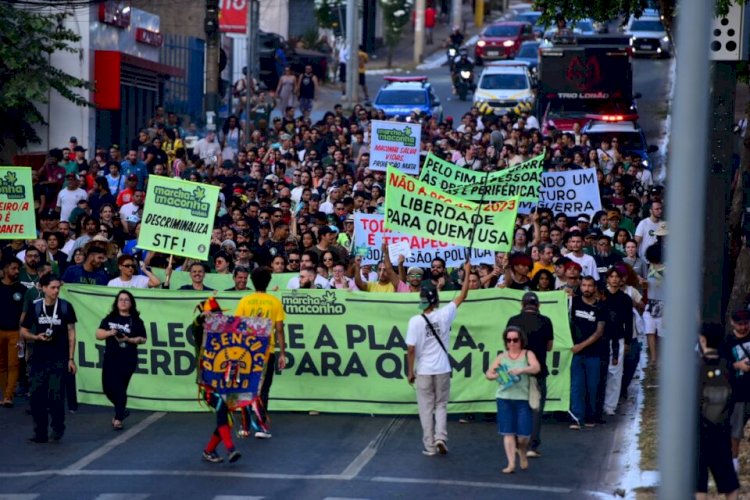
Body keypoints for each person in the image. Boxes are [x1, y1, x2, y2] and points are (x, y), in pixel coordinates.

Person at [406, 261, 471, 456]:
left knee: (426, 408)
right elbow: (463, 295)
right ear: (436, 301)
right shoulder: (444, 314)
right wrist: (467, 273)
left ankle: (430, 446)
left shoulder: (415, 321)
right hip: (442, 368)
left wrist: (410, 371)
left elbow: (410, 349)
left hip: (424, 369)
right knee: (441, 405)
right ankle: (440, 436)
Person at [20, 274, 78, 443]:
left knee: (55, 396)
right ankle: (40, 432)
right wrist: (35, 337)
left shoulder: (66, 307)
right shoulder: (35, 307)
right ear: (43, 288)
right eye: (52, 287)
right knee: (37, 397)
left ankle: (58, 427)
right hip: (39, 358)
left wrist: (70, 359)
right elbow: (23, 331)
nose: (56, 291)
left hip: (58, 359)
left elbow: (71, 333)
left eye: (58, 287)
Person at [235, 267, 287, 439]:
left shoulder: (245, 301)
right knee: (263, 390)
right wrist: (282, 353)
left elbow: (237, 328)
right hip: (266, 352)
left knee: (246, 388)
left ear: (252, 281)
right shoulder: (274, 302)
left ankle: (244, 427)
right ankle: (260, 426)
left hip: (246, 351)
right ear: (269, 282)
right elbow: (279, 330)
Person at [485, 325, 541, 473]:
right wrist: (497, 376)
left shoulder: (527, 354)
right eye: (508, 340)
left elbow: (536, 368)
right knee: (507, 432)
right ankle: (511, 464)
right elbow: (488, 374)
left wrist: (522, 370)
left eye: (515, 340)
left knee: (523, 436)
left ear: (521, 340)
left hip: (522, 399)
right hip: (504, 397)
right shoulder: (501, 357)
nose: (512, 343)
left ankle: (522, 451)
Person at [505, 292, 554, 458]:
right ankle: (531, 446)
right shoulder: (546, 321)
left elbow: (508, 345)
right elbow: (549, 346)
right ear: (538, 306)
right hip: (536, 372)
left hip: (516, 371)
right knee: (535, 411)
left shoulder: (513, 321)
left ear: (522, 304)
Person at [697, 322, 739, 500]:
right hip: (721, 432)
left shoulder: (695, 367)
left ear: (703, 340)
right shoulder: (728, 367)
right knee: (729, 483)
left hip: (698, 433)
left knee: (699, 485)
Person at [95, 290, 147, 430]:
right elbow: (98, 334)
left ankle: (118, 418)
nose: (123, 302)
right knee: (107, 388)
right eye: (121, 299)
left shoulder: (136, 320)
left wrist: (128, 339)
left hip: (128, 358)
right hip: (110, 357)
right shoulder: (110, 318)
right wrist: (110, 332)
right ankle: (121, 409)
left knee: (120, 388)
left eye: (126, 300)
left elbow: (143, 339)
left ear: (131, 303)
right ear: (116, 303)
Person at [569, 276, 606, 429]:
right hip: (575, 354)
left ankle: (591, 417)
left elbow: (599, 332)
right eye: (584, 285)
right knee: (576, 386)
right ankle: (576, 417)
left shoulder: (601, 307)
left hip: (594, 353)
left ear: (595, 288)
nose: (587, 288)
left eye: (590, 286)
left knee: (592, 386)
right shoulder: (574, 303)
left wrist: (581, 345)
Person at [720, 309, 750, 474]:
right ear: (732, 323)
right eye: (740, 324)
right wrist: (737, 366)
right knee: (735, 430)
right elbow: (722, 368)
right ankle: (733, 460)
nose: (744, 327)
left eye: (746, 323)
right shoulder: (727, 343)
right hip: (737, 393)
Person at [601, 268, 633, 417]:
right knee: (602, 371)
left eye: (616, 277)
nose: (614, 279)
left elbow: (628, 321)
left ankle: (610, 405)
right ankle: (598, 403)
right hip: (601, 338)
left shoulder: (625, 299)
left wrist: (627, 342)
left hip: (618, 338)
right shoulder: (601, 296)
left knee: (615, 372)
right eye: (611, 276)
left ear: (621, 280)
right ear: (607, 279)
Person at [0, 257, 27, 407]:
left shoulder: (22, 289)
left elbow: (26, 310)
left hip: (15, 333)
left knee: (13, 364)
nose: (17, 272)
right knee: (1, 365)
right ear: (5, 269)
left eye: (18, 269)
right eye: (13, 268)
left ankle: (9, 396)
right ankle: (5, 394)